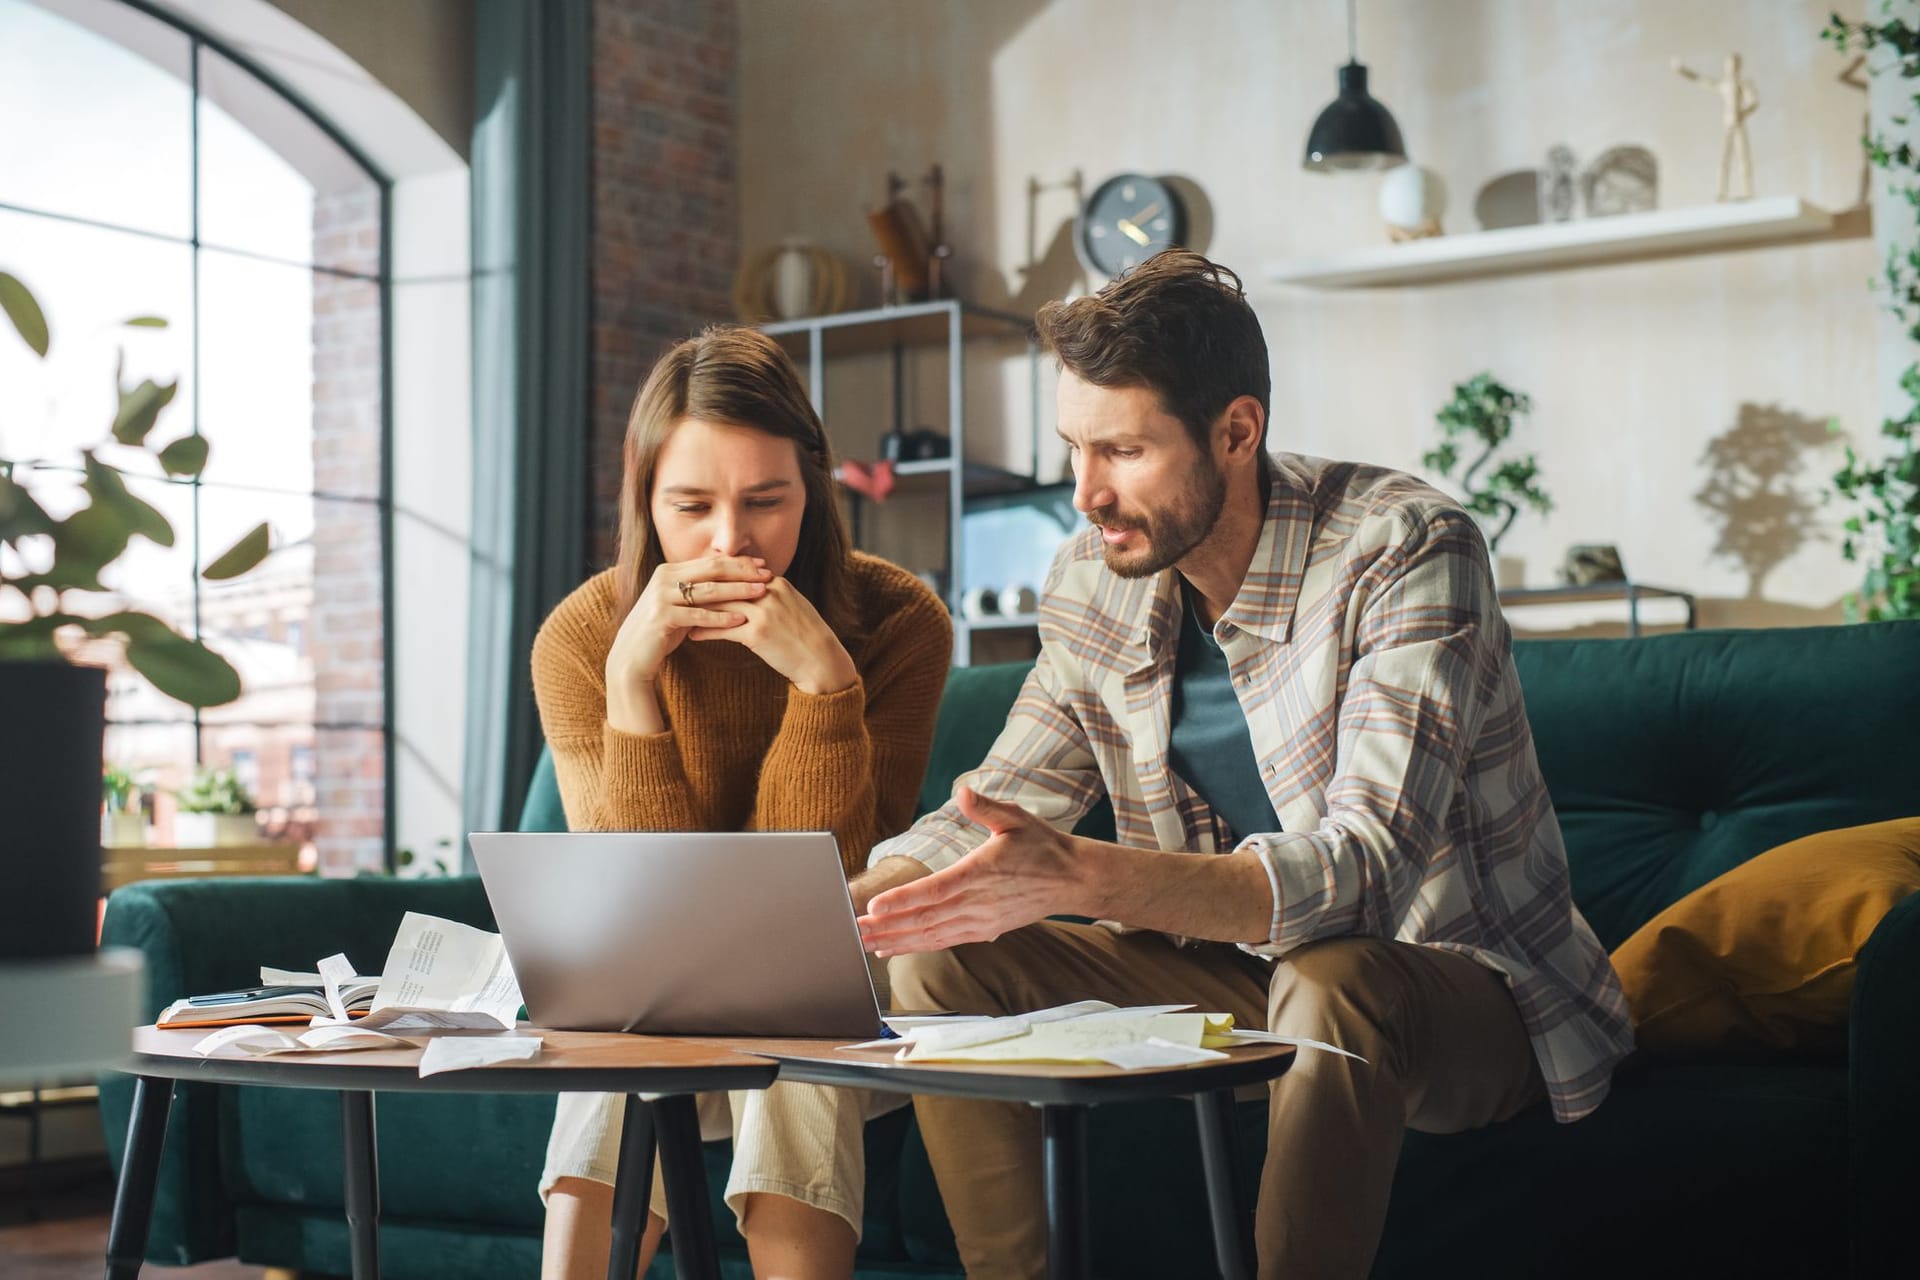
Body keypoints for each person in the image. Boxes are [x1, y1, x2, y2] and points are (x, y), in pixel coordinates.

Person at [851, 251, 1634, 1280]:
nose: (1085, 493)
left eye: (1123, 450)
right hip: (1238, 973)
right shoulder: (1096, 574)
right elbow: (999, 800)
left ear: (1236, 430)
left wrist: (1086, 876)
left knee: (1331, 981)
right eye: (1073, 448)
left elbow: (1365, 872)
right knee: (940, 956)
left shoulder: (1407, 549)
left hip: (1458, 983)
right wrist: (849, 909)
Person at [534, 325, 951, 1280]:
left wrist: (825, 685)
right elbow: (632, 903)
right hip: (655, 993)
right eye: (691, 507)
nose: (730, 542)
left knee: (788, 1000)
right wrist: (632, 680)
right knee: (612, 1033)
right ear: (646, 502)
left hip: (847, 991)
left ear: (815, 489)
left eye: (767, 502)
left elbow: (825, 888)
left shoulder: (897, 624)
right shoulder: (582, 636)